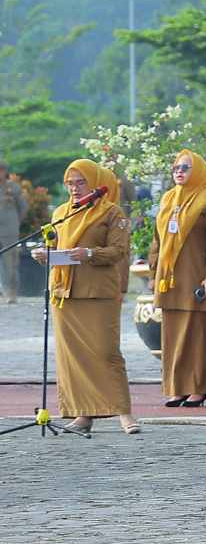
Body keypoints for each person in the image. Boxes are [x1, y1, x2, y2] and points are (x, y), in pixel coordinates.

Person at [34, 159, 137, 435]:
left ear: (95, 183)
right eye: (70, 183)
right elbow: (57, 245)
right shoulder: (61, 213)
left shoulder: (112, 213)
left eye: (81, 182)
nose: (75, 189)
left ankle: (123, 412)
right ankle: (83, 414)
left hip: (98, 292)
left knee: (106, 352)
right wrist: (45, 254)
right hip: (65, 294)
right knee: (73, 357)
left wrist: (90, 253)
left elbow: (119, 250)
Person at [149, 148, 206, 408]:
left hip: (196, 276)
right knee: (172, 334)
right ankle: (177, 387)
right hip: (169, 279)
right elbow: (157, 239)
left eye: (185, 168)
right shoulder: (169, 199)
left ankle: (198, 387)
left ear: (199, 171)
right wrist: (153, 273)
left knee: (196, 333)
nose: (179, 172)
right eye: (176, 168)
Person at [1, 160, 32, 302]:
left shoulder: (13, 188)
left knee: (10, 262)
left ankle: (11, 292)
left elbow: (23, 207)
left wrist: (15, 222)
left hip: (9, 230)